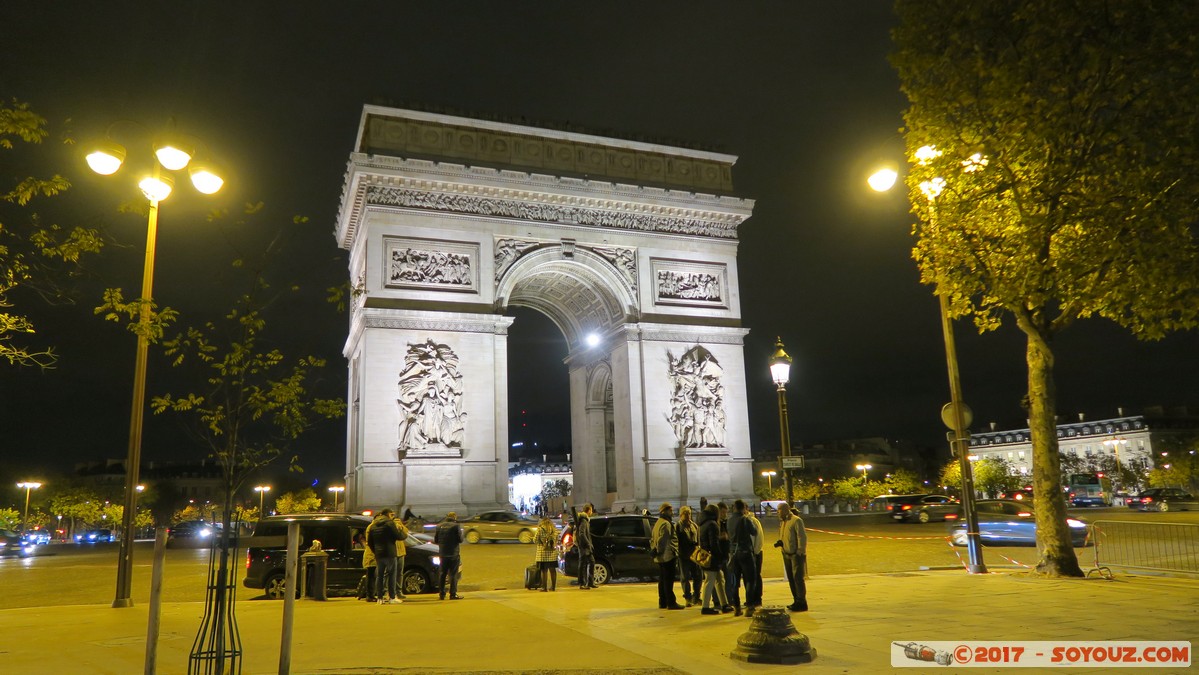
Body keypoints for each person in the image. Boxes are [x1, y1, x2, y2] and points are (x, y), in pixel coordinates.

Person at [725, 499, 759, 617]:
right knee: (750, 580)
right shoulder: (745, 519)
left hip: (733, 553)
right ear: (743, 508)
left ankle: (737, 607)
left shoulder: (729, 521)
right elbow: (754, 532)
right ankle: (749, 606)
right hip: (745, 551)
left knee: (735, 581)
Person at [650, 503, 684, 610]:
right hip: (667, 555)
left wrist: (655, 551)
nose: (672, 512)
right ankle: (671, 602)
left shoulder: (658, 523)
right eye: (670, 510)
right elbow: (662, 540)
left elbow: (653, 539)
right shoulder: (666, 524)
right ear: (665, 511)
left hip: (661, 556)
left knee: (662, 579)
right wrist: (659, 551)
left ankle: (662, 601)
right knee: (668, 580)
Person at [697, 503, 730, 615]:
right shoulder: (713, 524)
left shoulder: (703, 523)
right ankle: (705, 607)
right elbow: (714, 543)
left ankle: (724, 604)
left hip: (705, 555)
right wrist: (720, 555)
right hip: (713, 557)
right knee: (710, 581)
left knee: (719, 580)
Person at [367, 508, 404, 604]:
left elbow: (370, 541)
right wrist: (400, 530)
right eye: (392, 514)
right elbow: (399, 537)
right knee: (392, 575)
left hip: (379, 554)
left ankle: (379, 598)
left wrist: (375, 551)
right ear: (388, 514)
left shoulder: (373, 525)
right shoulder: (389, 523)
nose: (392, 516)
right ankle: (392, 597)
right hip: (390, 553)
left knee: (380, 576)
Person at [777, 505, 808, 612]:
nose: (778, 512)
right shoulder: (783, 522)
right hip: (786, 553)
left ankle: (801, 602)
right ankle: (796, 600)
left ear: (786, 510)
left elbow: (801, 536)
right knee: (791, 578)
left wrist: (800, 551)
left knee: (798, 578)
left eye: (779, 510)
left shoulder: (796, 520)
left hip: (795, 554)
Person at [434, 511, 464, 600]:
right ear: (455, 517)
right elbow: (460, 539)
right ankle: (453, 594)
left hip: (442, 554)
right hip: (453, 554)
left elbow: (436, 540)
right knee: (453, 574)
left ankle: (442, 594)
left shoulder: (439, 526)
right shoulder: (456, 526)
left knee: (442, 574)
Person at [676, 505, 701, 607]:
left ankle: (696, 596)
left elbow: (698, 538)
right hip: (684, 555)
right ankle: (687, 597)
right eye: (685, 514)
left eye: (689, 513)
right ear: (681, 515)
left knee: (698, 576)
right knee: (685, 577)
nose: (687, 516)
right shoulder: (678, 526)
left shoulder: (694, 526)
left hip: (695, 555)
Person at [746, 504, 766, 613]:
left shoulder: (753, 521)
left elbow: (759, 537)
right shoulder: (745, 521)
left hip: (755, 552)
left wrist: (756, 551)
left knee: (756, 576)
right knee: (750, 576)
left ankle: (757, 598)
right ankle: (752, 598)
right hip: (751, 552)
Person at [533, 514, 558, 592]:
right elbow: (557, 539)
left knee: (544, 571)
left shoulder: (540, 529)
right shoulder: (554, 530)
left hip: (543, 553)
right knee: (553, 570)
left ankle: (544, 587)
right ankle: (553, 587)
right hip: (552, 553)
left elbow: (535, 540)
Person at [575, 504, 596, 589]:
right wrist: (588, 543)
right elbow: (582, 534)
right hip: (584, 546)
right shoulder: (584, 520)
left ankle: (590, 582)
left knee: (591, 562)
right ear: (588, 510)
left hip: (586, 545)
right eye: (591, 510)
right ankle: (582, 583)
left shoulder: (585, 520)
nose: (592, 512)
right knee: (583, 564)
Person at [391, 511, 411, 599]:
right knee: (392, 573)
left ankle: (399, 591)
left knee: (399, 573)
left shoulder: (400, 526)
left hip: (401, 552)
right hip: (393, 553)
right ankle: (391, 592)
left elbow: (406, 533)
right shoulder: (390, 525)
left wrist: (401, 526)